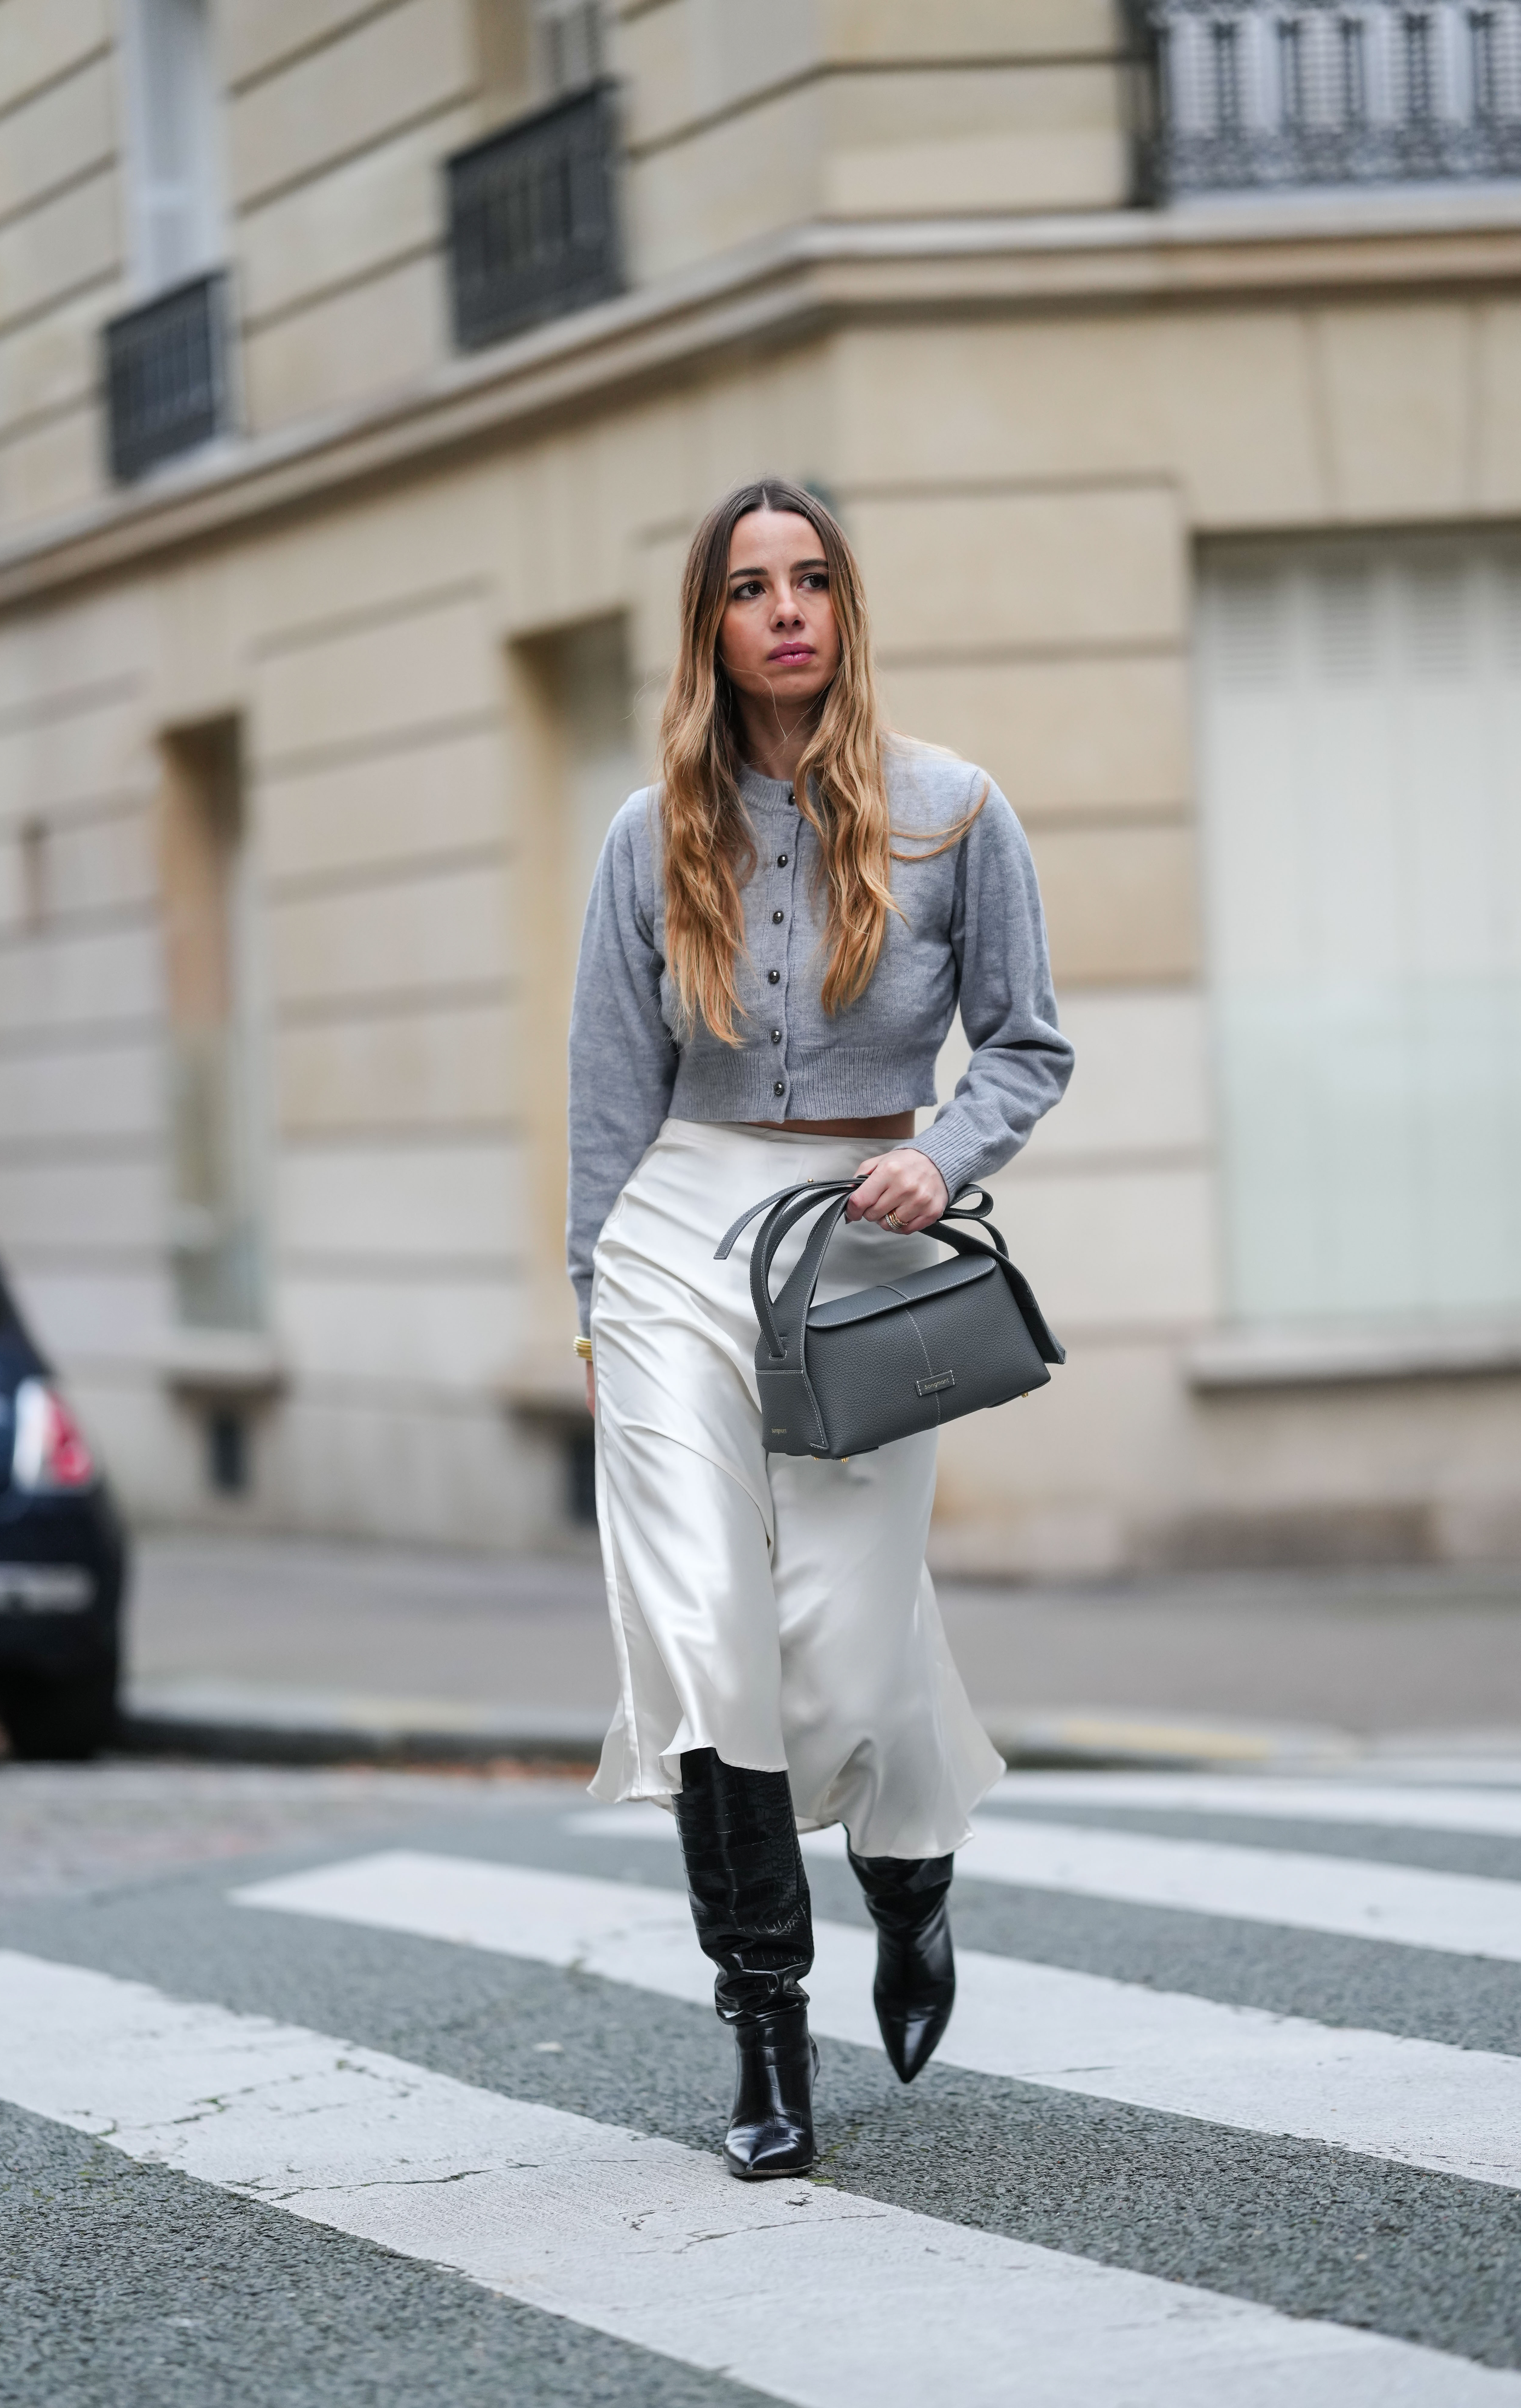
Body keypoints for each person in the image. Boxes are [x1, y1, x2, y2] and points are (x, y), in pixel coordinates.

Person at [567, 477, 1072, 2179]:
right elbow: (606, 1099)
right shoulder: (648, 836)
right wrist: (592, 1302)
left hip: (865, 1231)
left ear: (844, 607)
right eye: (745, 587)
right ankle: (762, 2026)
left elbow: (1026, 1043)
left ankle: (910, 1876)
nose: (783, 611)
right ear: (708, 624)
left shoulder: (954, 812)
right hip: (676, 1239)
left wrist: (940, 1153)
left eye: (810, 581)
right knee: (711, 1639)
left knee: (843, 1658)